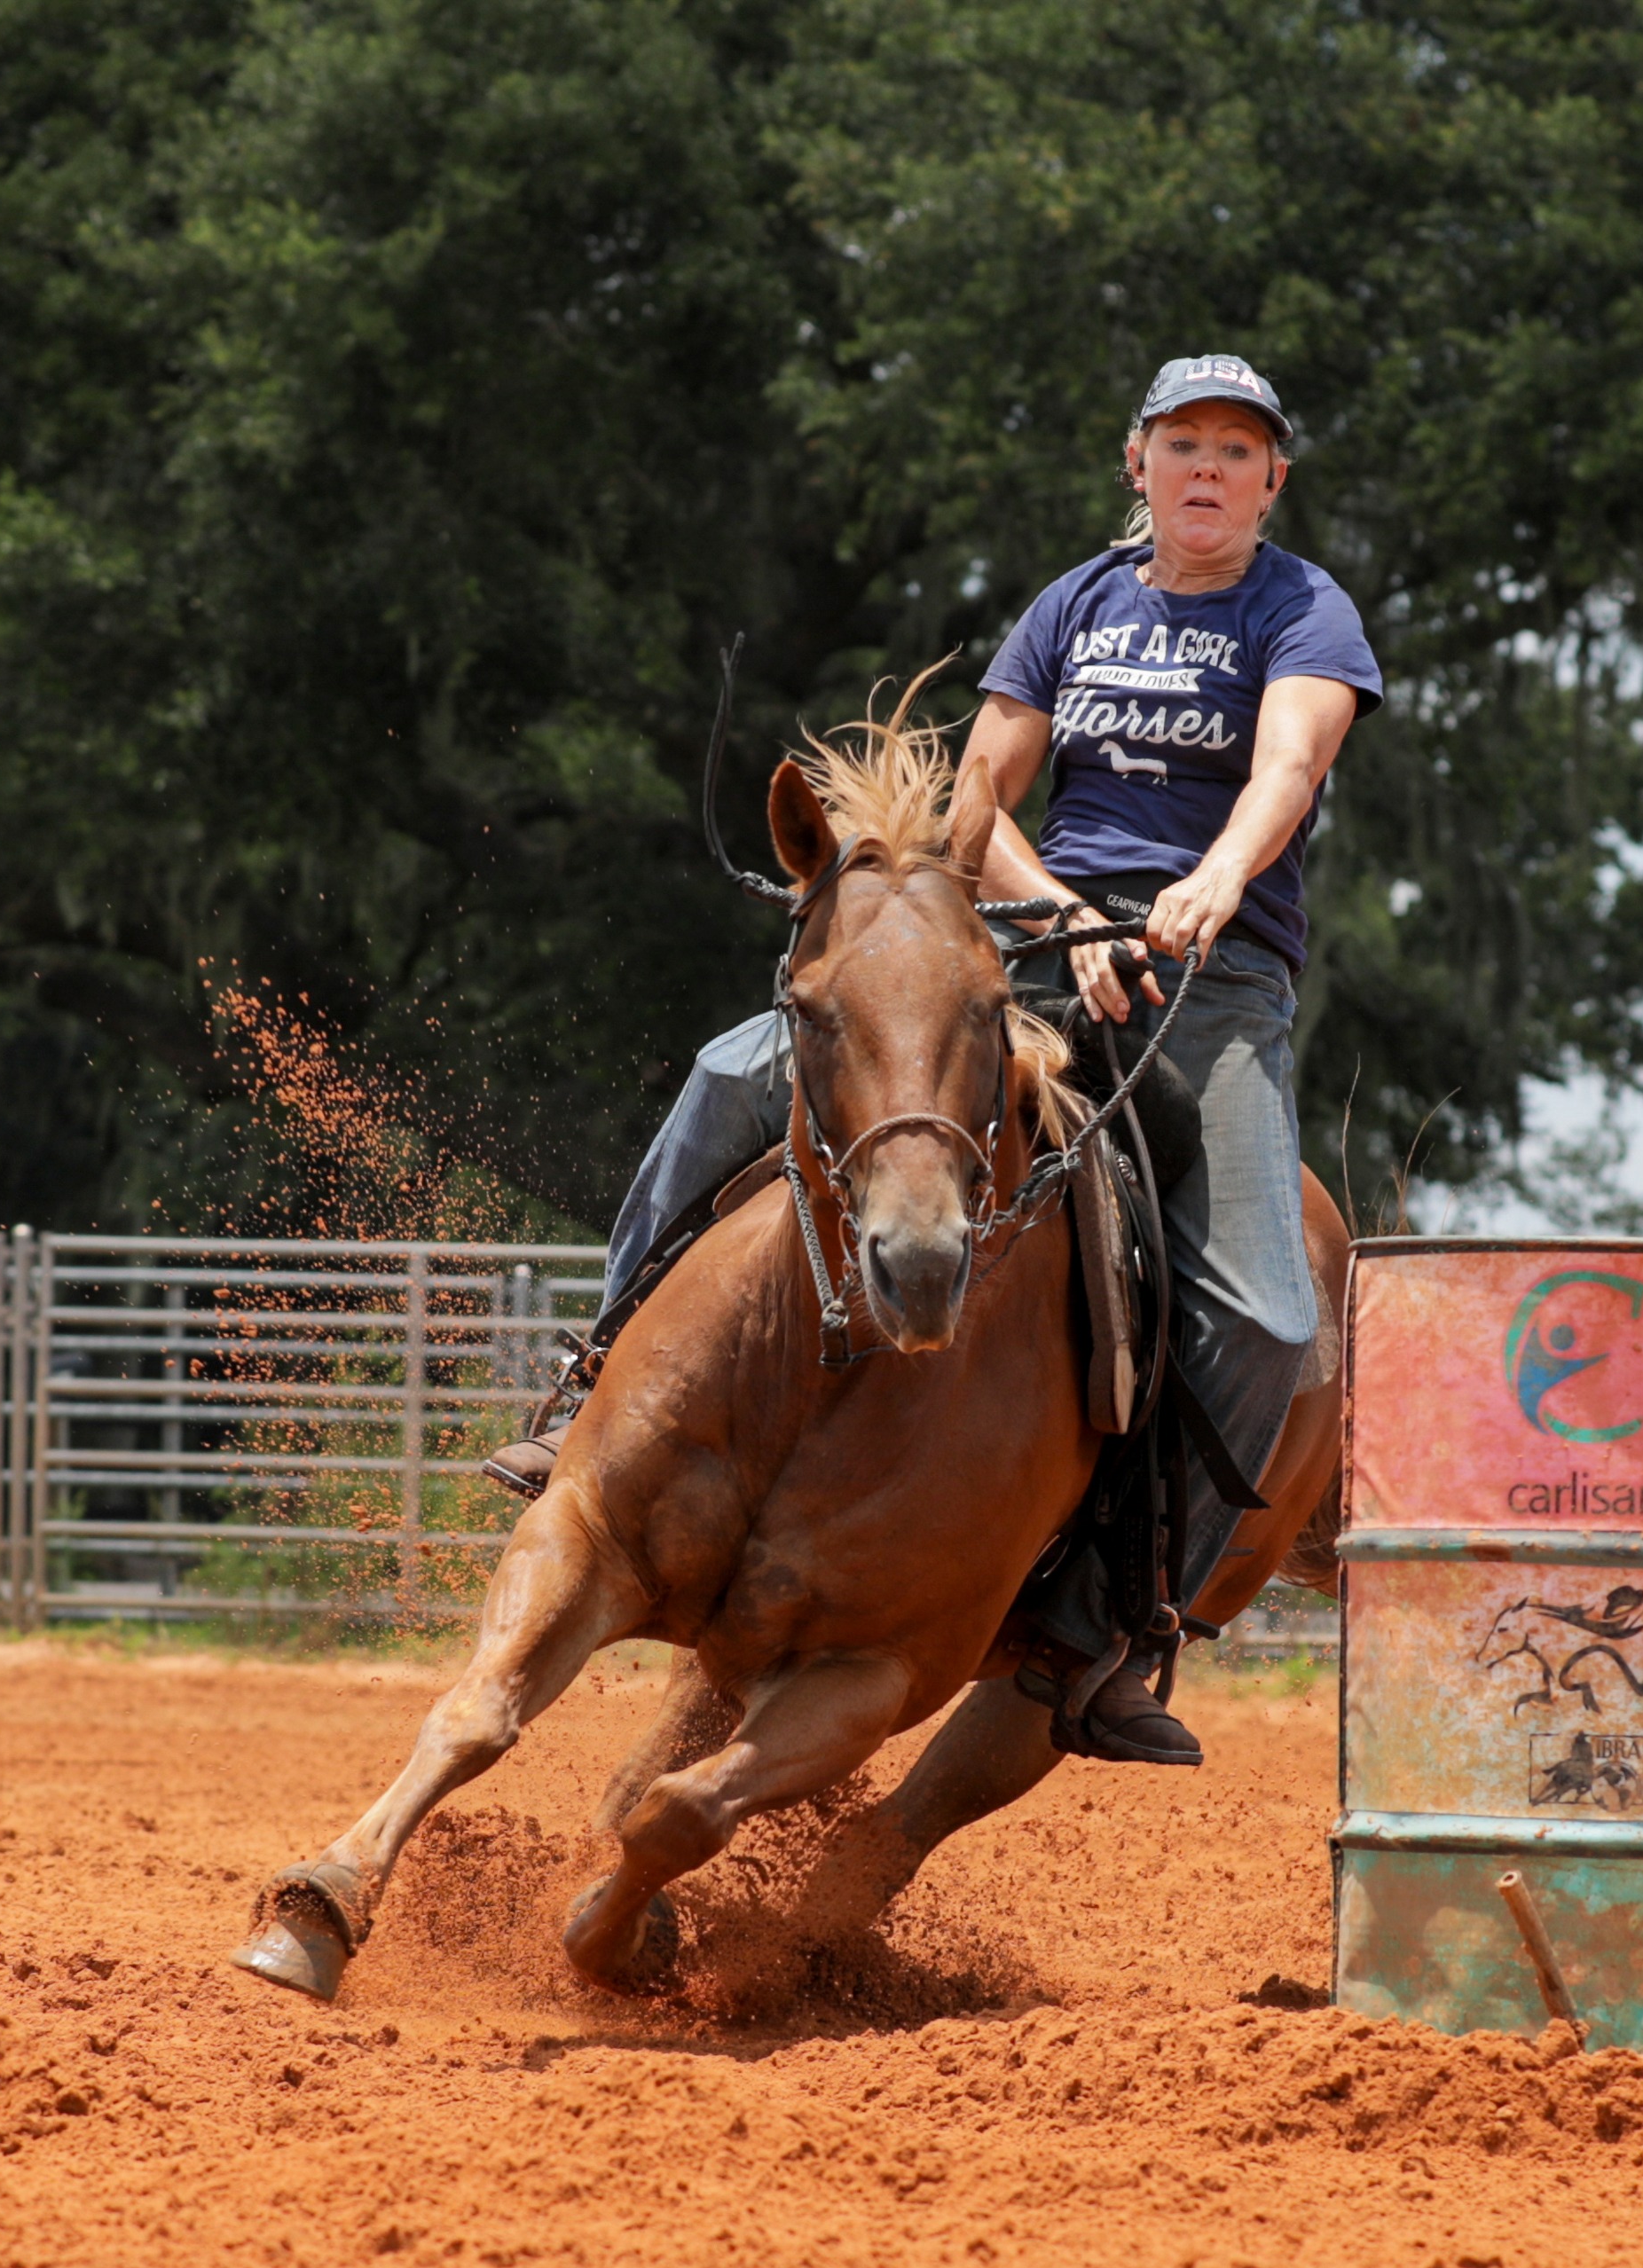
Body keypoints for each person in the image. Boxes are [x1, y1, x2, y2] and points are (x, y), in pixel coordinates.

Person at [483, 354, 1380, 1763]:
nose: (1208, 470)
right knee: (730, 1074)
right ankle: (591, 1380)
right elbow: (980, 796)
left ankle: (1121, 1626)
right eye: (1184, 445)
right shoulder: (1075, 606)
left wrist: (1210, 882)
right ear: (1137, 463)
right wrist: (1068, 913)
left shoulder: (1301, 609)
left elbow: (1289, 765)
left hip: (1213, 991)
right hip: (1022, 960)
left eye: (1237, 451)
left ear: (1274, 479)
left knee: (1272, 1320)